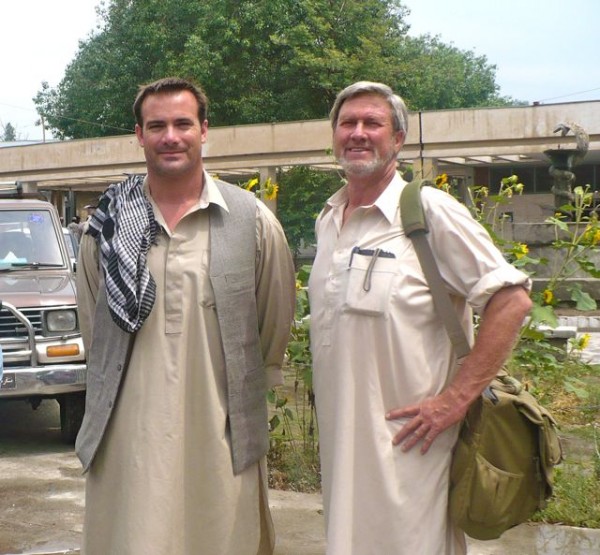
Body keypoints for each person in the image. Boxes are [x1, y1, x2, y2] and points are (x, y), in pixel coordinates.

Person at [307, 81, 533, 554]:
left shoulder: (429, 211)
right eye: (348, 123)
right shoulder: (329, 219)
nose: (358, 133)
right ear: (334, 135)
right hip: (344, 448)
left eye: (373, 123)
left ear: (398, 139)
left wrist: (455, 399)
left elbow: (510, 300)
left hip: (411, 448)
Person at [75, 77, 296, 555]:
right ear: (139, 134)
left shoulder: (251, 221)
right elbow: (95, 332)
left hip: (219, 435)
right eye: (157, 125)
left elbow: (272, 327)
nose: (170, 136)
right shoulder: (108, 226)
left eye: (182, 123)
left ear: (204, 130)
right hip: (127, 439)